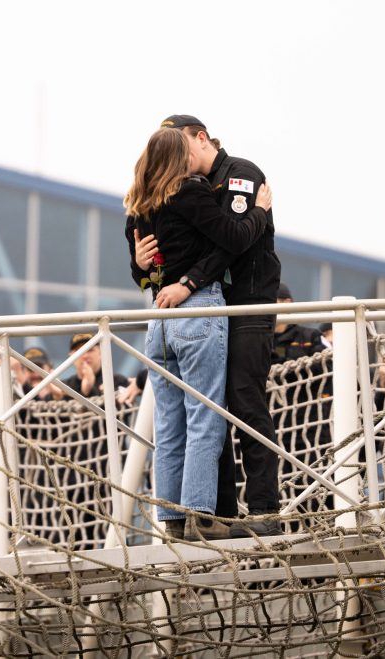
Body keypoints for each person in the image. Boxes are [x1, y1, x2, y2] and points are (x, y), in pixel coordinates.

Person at [125, 126, 272, 541]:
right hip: (196, 309)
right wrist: (259, 212)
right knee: (205, 417)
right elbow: (233, 237)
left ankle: (170, 519)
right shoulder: (190, 192)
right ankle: (199, 515)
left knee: (169, 424)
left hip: (159, 320)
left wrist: (141, 268)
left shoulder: (138, 204)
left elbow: (141, 268)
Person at [161, 115, 283, 538]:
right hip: (211, 307)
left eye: (182, 147)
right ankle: (224, 514)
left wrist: (187, 282)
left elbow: (234, 243)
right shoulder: (185, 190)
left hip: (247, 304)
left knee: (245, 399)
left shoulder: (241, 174)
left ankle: (265, 508)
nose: (178, 158)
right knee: (211, 409)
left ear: (201, 138)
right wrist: (144, 265)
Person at [62, 333, 129, 399]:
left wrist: (90, 390)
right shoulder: (64, 386)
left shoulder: (116, 381)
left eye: (90, 350)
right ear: (70, 356)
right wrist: (57, 396)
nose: (85, 356)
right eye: (79, 351)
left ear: (101, 352)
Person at [272, 283, 326, 365]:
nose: (264, 308)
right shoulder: (255, 339)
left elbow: (327, 368)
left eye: (271, 302)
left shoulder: (310, 336)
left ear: (287, 303)